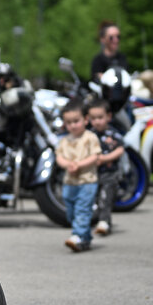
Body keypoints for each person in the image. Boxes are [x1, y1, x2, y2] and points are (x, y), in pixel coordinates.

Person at [55, 99, 101, 252]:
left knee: (82, 209)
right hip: (69, 182)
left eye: (76, 121)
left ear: (85, 120)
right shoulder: (64, 140)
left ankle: (77, 236)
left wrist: (79, 165)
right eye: (69, 122)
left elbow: (95, 156)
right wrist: (67, 164)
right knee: (71, 212)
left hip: (87, 181)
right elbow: (59, 157)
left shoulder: (90, 138)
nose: (73, 125)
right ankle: (85, 238)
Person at [87, 98, 125, 235]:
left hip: (110, 172)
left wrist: (104, 159)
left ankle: (104, 221)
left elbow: (120, 149)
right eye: (93, 118)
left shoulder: (113, 134)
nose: (97, 121)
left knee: (106, 197)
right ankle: (97, 219)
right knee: (95, 197)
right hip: (93, 173)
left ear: (108, 117)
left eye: (100, 117)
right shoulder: (89, 135)